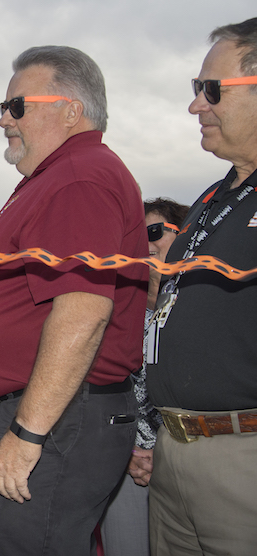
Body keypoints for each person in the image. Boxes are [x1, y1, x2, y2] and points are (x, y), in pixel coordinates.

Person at [0, 46, 148, 555]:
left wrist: (27, 434)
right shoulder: (58, 176)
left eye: (17, 106)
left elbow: (84, 310)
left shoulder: (78, 177)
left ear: (71, 110)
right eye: (3, 106)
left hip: (57, 423)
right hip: (55, 417)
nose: (4, 119)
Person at [146, 17, 257, 555]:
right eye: (196, 89)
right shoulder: (213, 198)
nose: (196, 105)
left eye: (211, 90)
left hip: (242, 460)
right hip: (174, 451)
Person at [99, 198, 188, 556]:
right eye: (138, 235)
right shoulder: (115, 313)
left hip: (186, 462)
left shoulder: (206, 307)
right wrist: (134, 451)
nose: (146, 244)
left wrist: (161, 453)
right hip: (126, 464)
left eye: (155, 231)